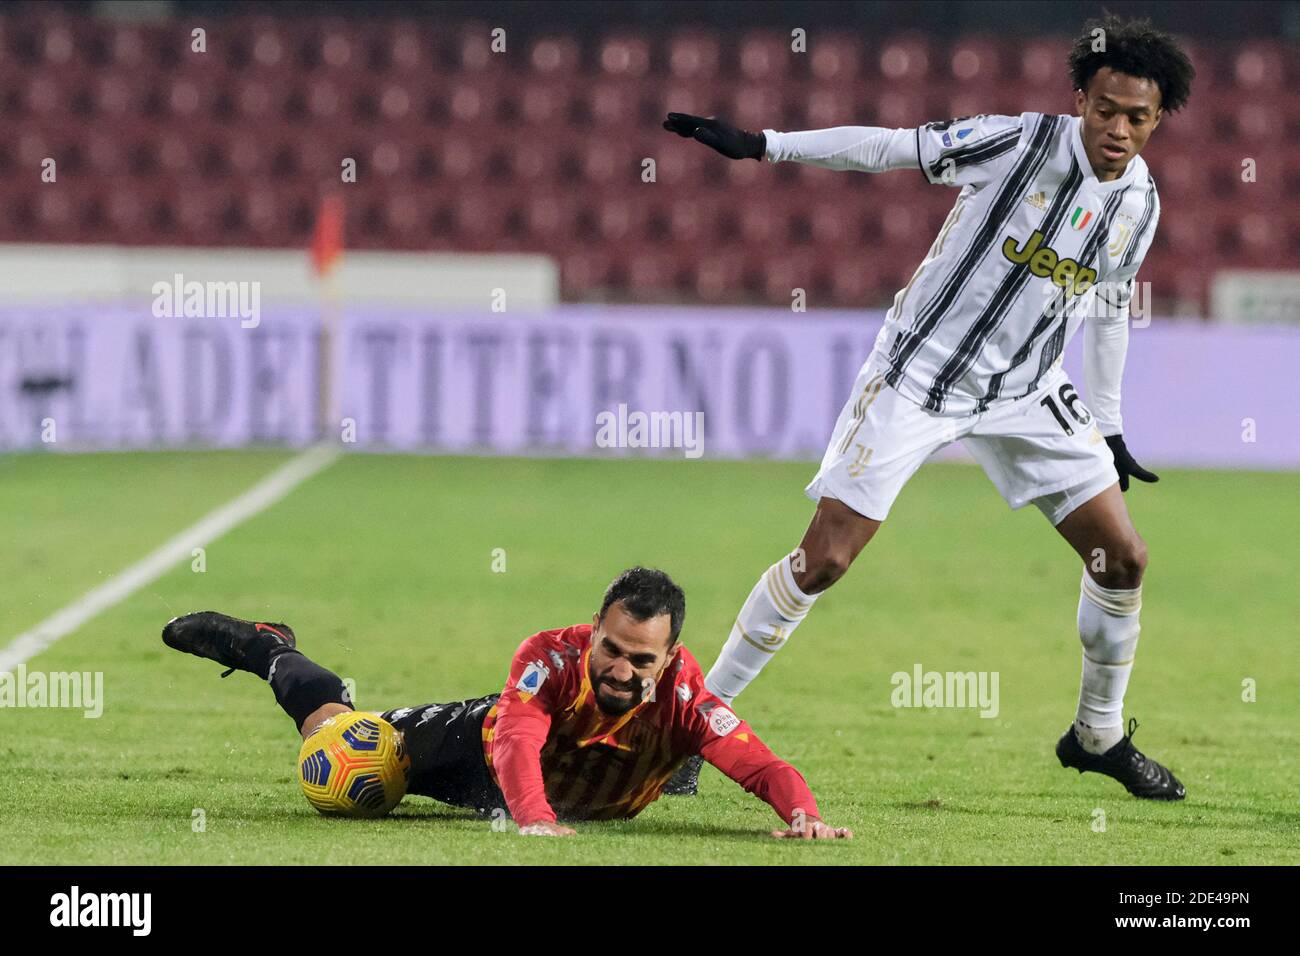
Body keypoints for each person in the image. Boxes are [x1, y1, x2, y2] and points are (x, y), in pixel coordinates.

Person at [662, 15, 1193, 801]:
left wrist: (1109, 423)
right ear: (1081, 97)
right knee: (826, 560)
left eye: (1136, 117)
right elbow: (891, 146)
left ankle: (1098, 734)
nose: (1118, 128)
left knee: (1124, 558)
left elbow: (1110, 306)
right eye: (1105, 108)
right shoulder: (1015, 142)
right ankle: (699, 726)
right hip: (921, 374)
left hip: (1024, 389)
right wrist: (766, 144)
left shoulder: (1140, 201)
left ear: (1158, 119)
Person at [162, 567, 852, 839]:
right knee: (341, 761)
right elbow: (517, 737)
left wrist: (805, 817)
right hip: (486, 752)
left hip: (585, 786)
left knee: (688, 753)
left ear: (668, 659)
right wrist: (534, 819)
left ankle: (671, 767)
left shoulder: (688, 699)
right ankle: (270, 650)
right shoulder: (548, 657)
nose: (618, 668)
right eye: (610, 648)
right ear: (595, 630)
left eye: (641, 659)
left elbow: (764, 767)